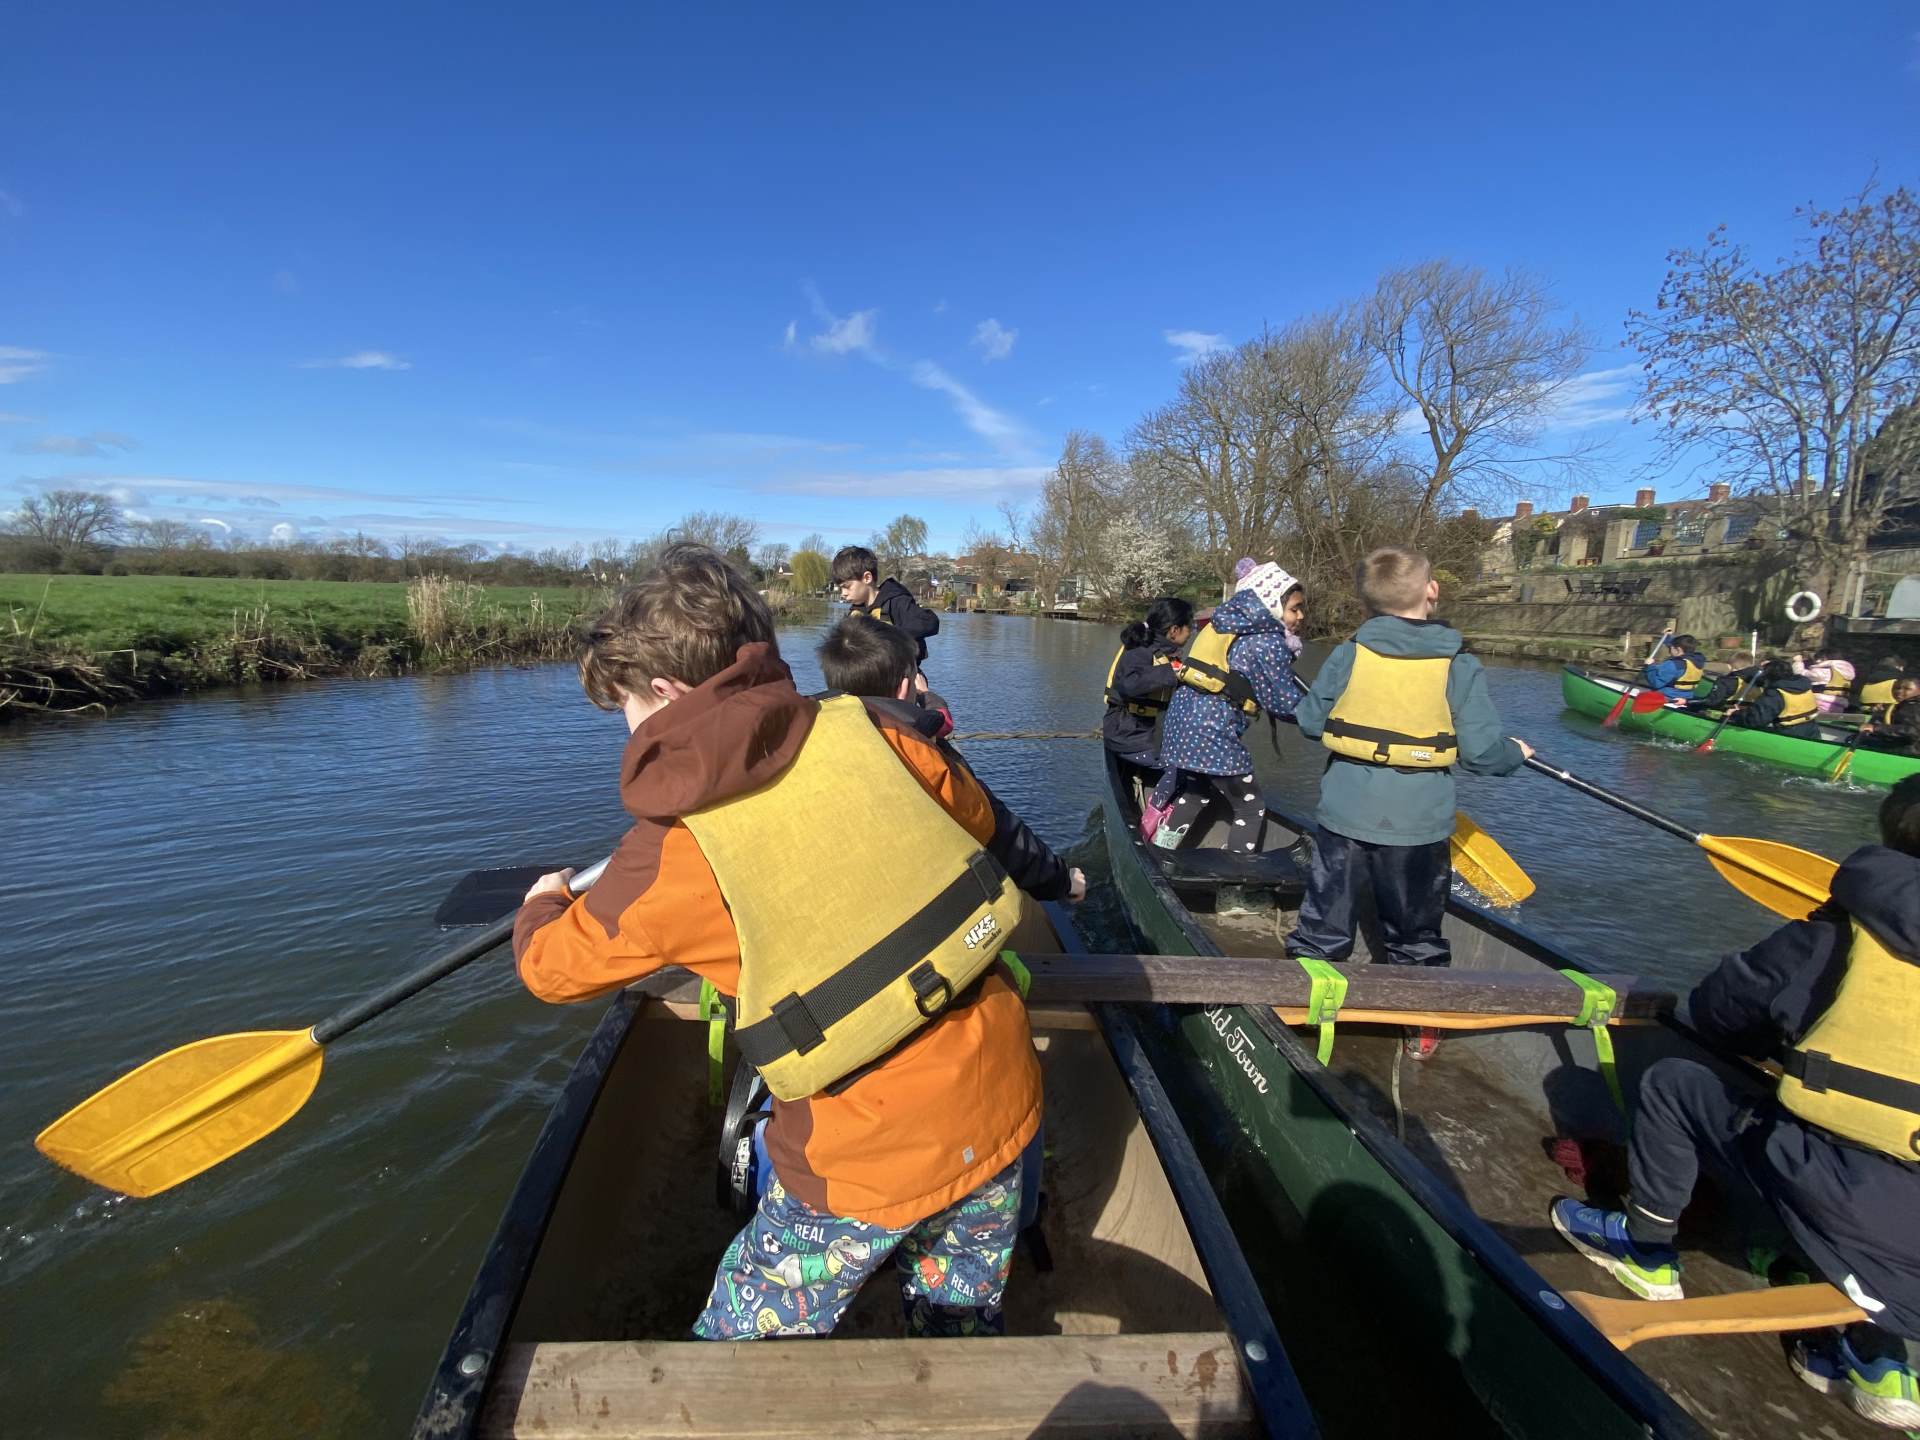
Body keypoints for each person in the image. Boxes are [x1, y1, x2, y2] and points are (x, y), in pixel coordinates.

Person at [512, 544, 1081, 1343]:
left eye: (627, 707)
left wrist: (541, 904)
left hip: (861, 1162)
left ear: (666, 693)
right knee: (957, 1326)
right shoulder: (877, 731)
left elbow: (551, 970)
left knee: (730, 1355)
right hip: (1002, 1102)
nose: (628, 727)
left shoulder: (672, 849)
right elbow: (979, 819)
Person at [1549, 775, 1920, 1430]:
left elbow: (1717, 1012)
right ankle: (1881, 1364)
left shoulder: (1839, 936)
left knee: (1674, 1082)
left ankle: (1645, 1250)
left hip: (1853, 1189)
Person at [1284, 546, 1533, 1060]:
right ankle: (1419, 1022)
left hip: (1343, 816)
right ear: (1431, 590)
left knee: (1324, 921)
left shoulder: (1349, 653)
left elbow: (1309, 722)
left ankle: (1304, 1004)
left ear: (1364, 602)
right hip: (1418, 825)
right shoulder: (1459, 665)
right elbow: (1483, 754)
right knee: (1416, 931)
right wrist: (1516, 754)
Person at [1143, 563, 1308, 854]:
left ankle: (1160, 852)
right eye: (1295, 609)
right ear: (1271, 603)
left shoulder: (1225, 624)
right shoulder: (1266, 640)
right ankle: (1237, 875)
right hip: (1212, 732)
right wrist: (1324, 720)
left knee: (1195, 794)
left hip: (1181, 725)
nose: (1301, 616)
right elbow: (1284, 703)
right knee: (1250, 807)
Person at [1103, 597, 1194, 778]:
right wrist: (1171, 672)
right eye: (1190, 627)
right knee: (1182, 765)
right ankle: (1161, 796)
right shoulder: (1139, 649)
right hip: (1128, 732)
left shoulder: (1166, 652)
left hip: (1149, 730)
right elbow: (1129, 683)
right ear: (1174, 630)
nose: (1191, 632)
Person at [831, 545, 940, 667]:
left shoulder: (896, 602)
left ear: (867, 578)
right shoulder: (855, 613)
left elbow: (931, 623)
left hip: (903, 672)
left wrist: (889, 634)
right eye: (840, 589)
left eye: (847, 587)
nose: (843, 593)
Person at [1733, 658, 1820, 736]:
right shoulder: (1805, 687)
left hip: (1787, 736)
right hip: (1812, 731)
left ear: (1769, 676)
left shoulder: (1775, 694)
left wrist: (1735, 714)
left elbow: (1754, 720)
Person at [1644, 634, 1707, 700]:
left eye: (1670, 648)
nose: (1669, 650)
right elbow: (1677, 645)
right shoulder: (1698, 661)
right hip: (1686, 697)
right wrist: (1667, 636)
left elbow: (1656, 683)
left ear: (1678, 649)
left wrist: (1650, 666)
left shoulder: (1673, 664)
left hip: (1667, 697)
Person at [1797, 649, 1858, 716]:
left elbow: (1800, 674)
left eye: (1821, 659)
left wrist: (1798, 662)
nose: (1817, 661)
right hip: (1839, 706)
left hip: (1821, 703)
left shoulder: (1824, 671)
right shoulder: (1844, 671)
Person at [1859, 657, 1911, 725]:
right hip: (1885, 714)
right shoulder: (1899, 679)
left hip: (1865, 706)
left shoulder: (1871, 675)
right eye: (1902, 668)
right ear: (1898, 667)